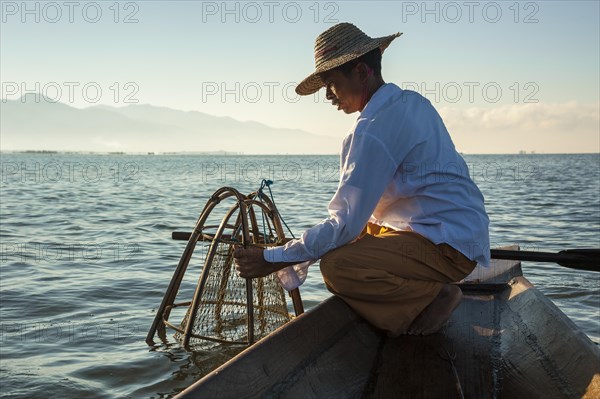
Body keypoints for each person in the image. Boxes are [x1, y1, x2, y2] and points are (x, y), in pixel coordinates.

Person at [234, 22, 490, 336]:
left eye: (331, 83)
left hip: (447, 246)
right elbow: (353, 221)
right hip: (457, 234)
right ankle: (420, 292)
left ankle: (435, 297)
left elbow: (343, 223)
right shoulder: (410, 103)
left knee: (338, 267)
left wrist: (272, 258)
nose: (328, 95)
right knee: (351, 240)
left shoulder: (374, 128)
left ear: (361, 72)